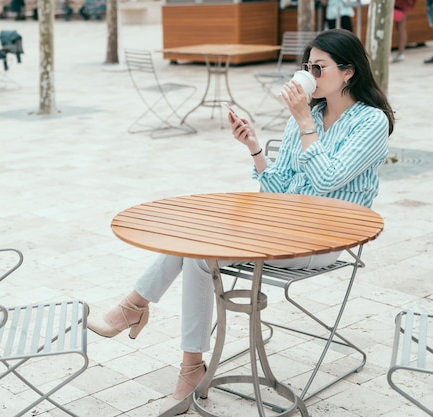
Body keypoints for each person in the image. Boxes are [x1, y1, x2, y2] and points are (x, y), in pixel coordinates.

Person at [87, 29, 394, 416]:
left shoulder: (370, 122)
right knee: (199, 246)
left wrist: (303, 121)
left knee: (202, 253)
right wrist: (254, 147)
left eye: (319, 67)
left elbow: (328, 180)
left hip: (324, 240)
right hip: (282, 225)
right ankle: (186, 362)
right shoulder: (309, 115)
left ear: (348, 73)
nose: (310, 75)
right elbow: (277, 189)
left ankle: (139, 314)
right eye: (307, 66)